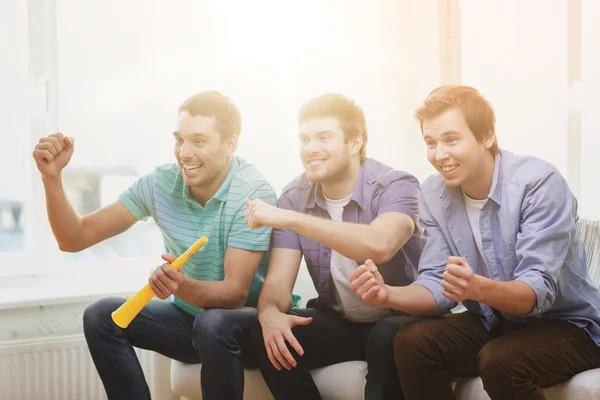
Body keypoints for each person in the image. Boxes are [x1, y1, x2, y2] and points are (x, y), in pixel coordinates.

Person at [350, 85, 600, 400]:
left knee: (501, 360)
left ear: (486, 137)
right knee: (412, 340)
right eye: (431, 142)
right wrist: (388, 294)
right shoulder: (432, 194)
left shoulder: (538, 184)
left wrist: (476, 288)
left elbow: (536, 292)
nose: (439, 155)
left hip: (569, 326)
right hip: (495, 319)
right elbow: (436, 283)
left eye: (451, 140)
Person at [32, 91, 280, 400]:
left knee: (213, 320)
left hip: (245, 329)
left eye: (198, 142)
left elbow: (234, 294)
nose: (184, 153)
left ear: (230, 144)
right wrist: (51, 178)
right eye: (179, 140)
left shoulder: (252, 192)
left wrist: (180, 286)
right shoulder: (161, 183)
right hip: (192, 323)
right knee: (101, 316)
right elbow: (74, 238)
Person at [244, 93, 423, 400]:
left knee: (384, 336)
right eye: (305, 139)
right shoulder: (295, 195)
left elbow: (380, 245)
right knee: (270, 337)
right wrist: (270, 313)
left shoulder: (396, 184)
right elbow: (277, 282)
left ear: (355, 142)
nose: (310, 148)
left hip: (403, 318)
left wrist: (291, 219)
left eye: (324, 137)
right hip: (342, 322)